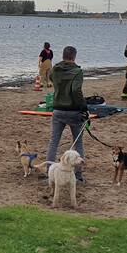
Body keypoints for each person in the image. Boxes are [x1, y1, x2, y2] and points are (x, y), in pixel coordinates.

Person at [47, 46, 87, 182]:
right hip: (74, 111)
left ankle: (49, 173)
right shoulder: (77, 71)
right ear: (74, 57)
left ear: (63, 56)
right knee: (79, 143)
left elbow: (51, 78)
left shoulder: (55, 70)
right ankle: (78, 176)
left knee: (53, 142)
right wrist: (83, 107)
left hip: (58, 109)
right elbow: (76, 90)